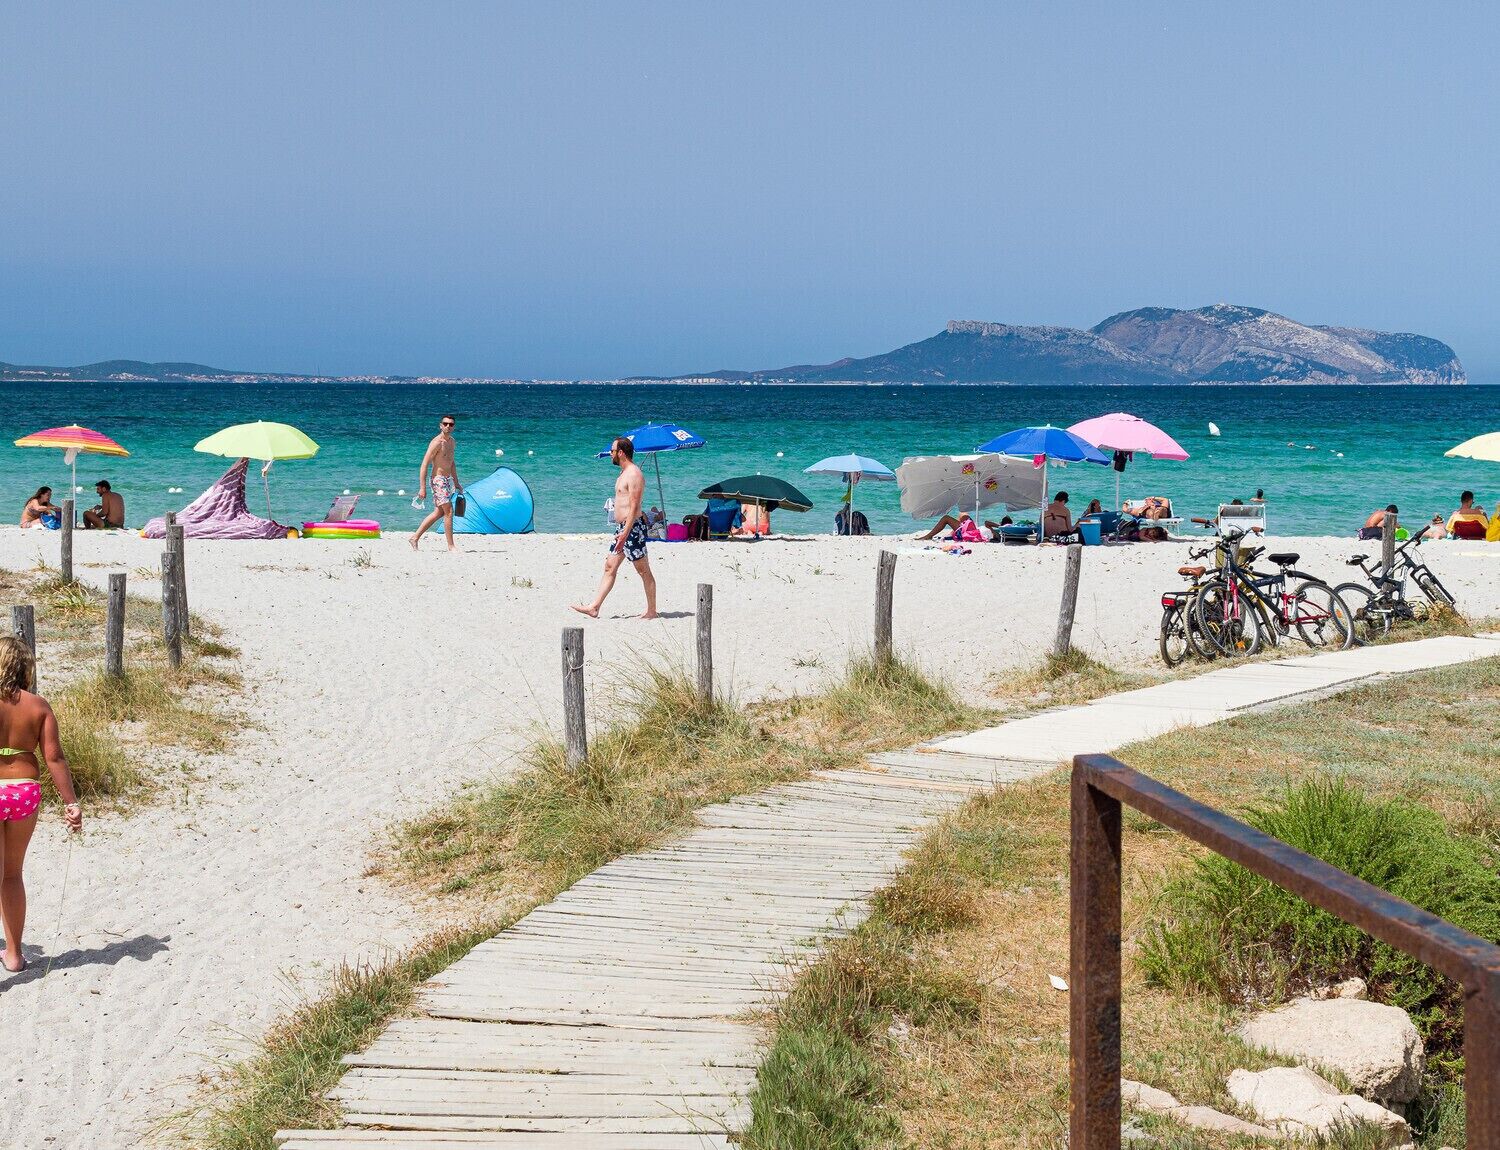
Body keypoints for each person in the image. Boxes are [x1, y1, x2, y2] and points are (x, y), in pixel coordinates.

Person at [0, 636, 82, 973]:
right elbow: (55, 758)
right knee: (12, 873)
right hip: (23, 792)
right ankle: (15, 955)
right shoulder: (39, 706)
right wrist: (71, 802)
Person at [572, 436, 658, 620]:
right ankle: (594, 607)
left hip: (631, 529)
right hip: (622, 529)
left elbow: (634, 507)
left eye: (612, 451)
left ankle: (652, 611)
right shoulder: (623, 473)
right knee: (609, 567)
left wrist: (625, 533)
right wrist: (621, 531)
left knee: (643, 569)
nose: (610, 454)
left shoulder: (634, 474)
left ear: (621, 452)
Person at [411, 415, 463, 551]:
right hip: (438, 480)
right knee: (449, 511)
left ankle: (414, 538)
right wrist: (422, 488)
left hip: (447, 480)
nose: (448, 426)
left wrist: (456, 482)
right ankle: (451, 546)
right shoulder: (436, 442)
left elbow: (451, 463)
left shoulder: (452, 442)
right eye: (445, 424)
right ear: (440, 425)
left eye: (451, 424)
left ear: (453, 427)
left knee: (439, 512)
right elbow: (424, 464)